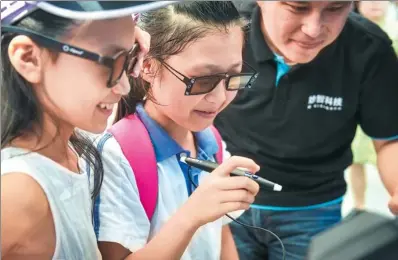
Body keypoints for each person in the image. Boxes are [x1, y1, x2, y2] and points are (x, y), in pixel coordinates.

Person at [215, 1, 398, 259]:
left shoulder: (368, 48)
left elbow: (389, 138)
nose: (313, 29)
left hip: (313, 209)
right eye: (297, 7)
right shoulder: (220, 30)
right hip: (224, 199)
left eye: (335, 9)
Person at [0, 1, 173, 259]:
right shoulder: (18, 193)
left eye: (132, 58)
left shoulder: (68, 147)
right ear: (28, 57)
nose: (125, 86)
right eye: (111, 63)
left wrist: (118, 40)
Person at [92, 2, 260, 260]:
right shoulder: (117, 156)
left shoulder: (210, 140)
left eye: (233, 78)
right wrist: (192, 215)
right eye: (202, 80)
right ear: (147, 66)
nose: (218, 98)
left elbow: (221, 233)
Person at [349, 0, 398, 211]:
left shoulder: (394, 33)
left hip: (387, 103)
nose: (375, 3)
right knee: (355, 157)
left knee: (388, 146)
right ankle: (359, 205)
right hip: (354, 104)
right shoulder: (345, 35)